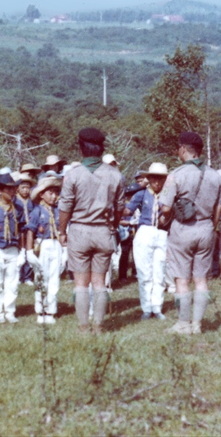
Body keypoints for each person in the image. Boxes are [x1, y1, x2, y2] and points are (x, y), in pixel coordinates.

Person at [58, 127, 125, 333]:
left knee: (80, 283)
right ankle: (99, 325)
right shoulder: (115, 174)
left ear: (81, 148)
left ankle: (83, 326)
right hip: (103, 231)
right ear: (102, 148)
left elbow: (65, 208)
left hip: (79, 230)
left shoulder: (72, 175)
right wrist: (113, 225)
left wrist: (62, 231)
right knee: (99, 282)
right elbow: (120, 206)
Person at [159, 131, 221, 335]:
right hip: (206, 229)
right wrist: (211, 227)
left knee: (181, 278)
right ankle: (198, 324)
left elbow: (165, 208)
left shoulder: (176, 175)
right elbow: (219, 207)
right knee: (201, 279)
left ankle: (183, 323)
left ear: (183, 149)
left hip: (183, 230)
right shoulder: (215, 176)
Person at [123, 162, 170, 320]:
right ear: (149, 179)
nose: (157, 182)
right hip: (145, 232)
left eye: (161, 179)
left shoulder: (168, 194)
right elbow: (128, 210)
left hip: (162, 234)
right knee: (144, 272)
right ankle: (146, 308)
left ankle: (157, 307)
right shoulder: (141, 194)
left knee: (160, 272)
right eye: (154, 179)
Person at [0, 173, 25, 323]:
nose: (13, 192)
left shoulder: (18, 209)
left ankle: (10, 311)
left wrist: (23, 251)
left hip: (13, 249)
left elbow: (21, 231)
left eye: (14, 189)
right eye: (9, 189)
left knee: (12, 284)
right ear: (0, 191)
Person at [25, 174, 65, 324]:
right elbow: (30, 231)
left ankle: (51, 310)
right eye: (50, 193)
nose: (54, 196)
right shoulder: (37, 211)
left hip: (56, 245)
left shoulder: (58, 211)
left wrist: (65, 250)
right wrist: (29, 251)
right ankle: (41, 310)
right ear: (42, 195)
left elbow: (62, 231)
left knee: (54, 278)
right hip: (42, 246)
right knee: (42, 277)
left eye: (56, 193)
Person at [14, 172, 37, 286]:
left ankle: (27, 277)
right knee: (19, 253)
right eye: (22, 187)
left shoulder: (32, 200)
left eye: (27, 187)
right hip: (19, 230)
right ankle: (18, 276)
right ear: (17, 188)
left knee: (29, 252)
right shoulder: (14, 200)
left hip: (30, 230)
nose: (25, 190)